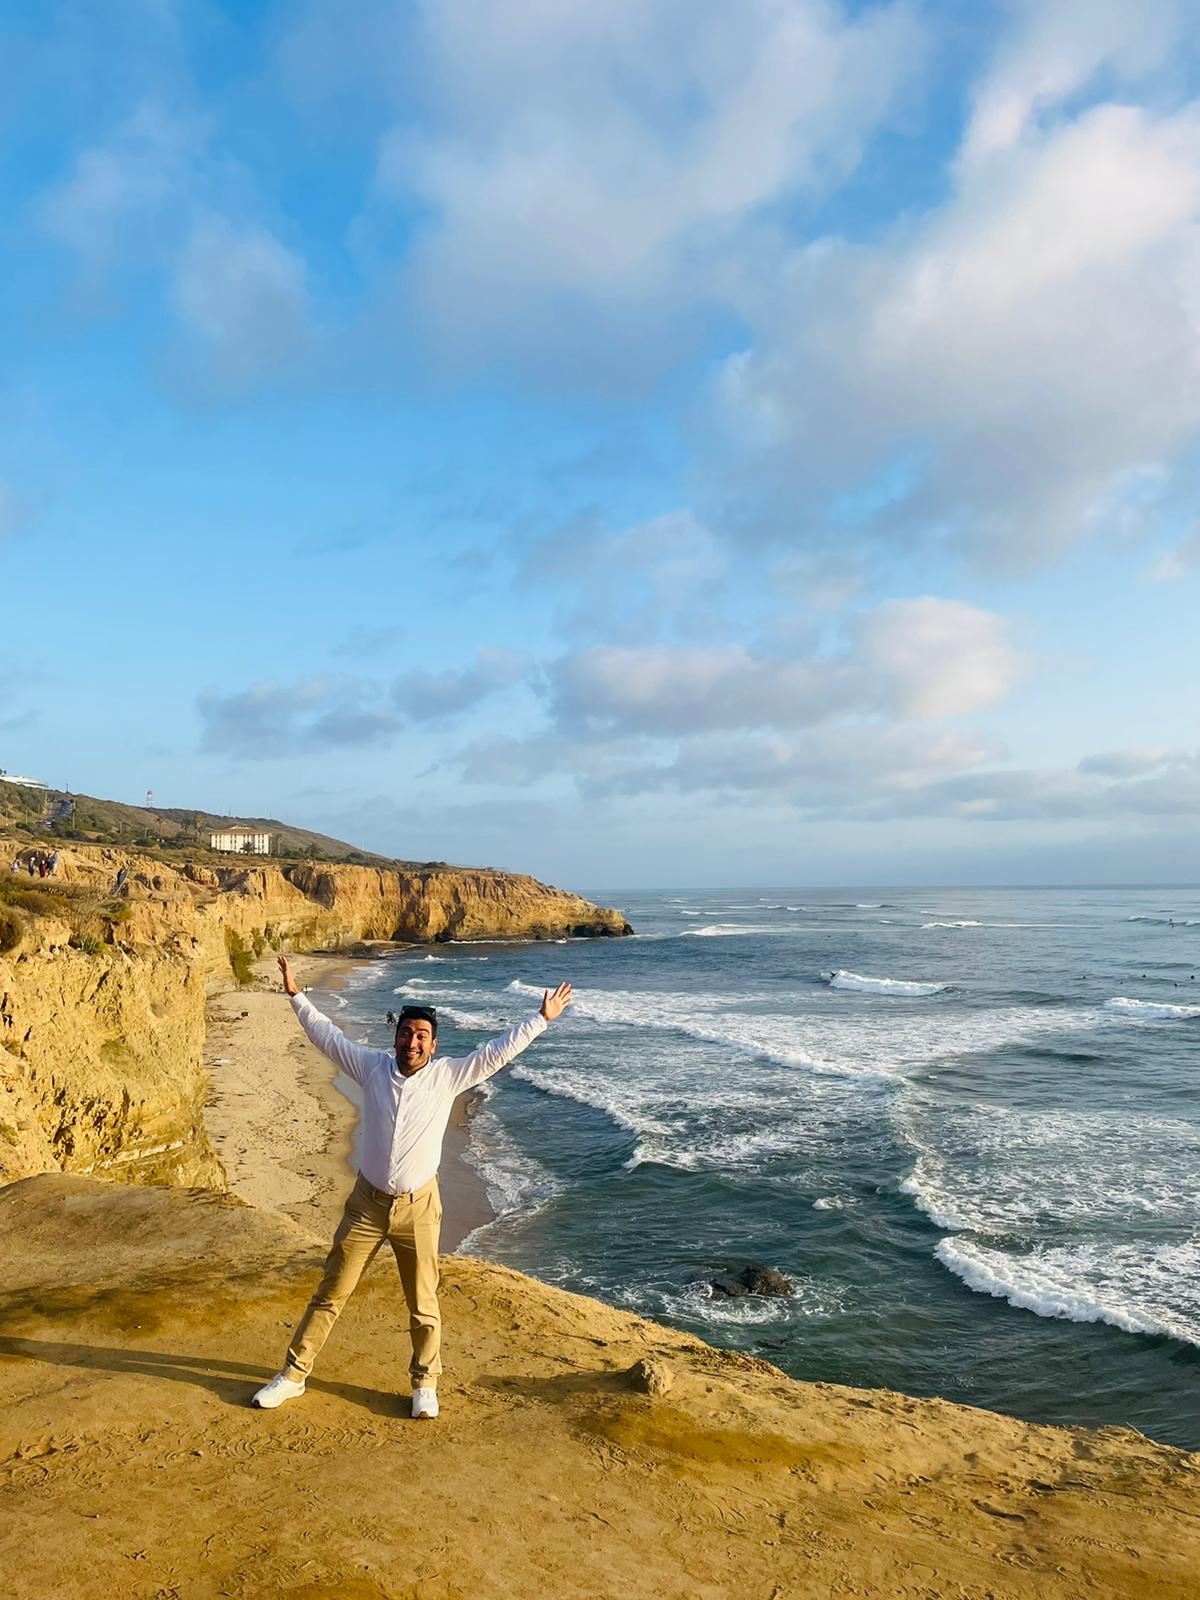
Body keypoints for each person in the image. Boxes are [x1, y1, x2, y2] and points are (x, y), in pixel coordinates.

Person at [252, 955, 573, 1421]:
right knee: (331, 1293)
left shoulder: (448, 1076)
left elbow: (496, 1052)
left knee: (423, 1304)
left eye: (421, 1035)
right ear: (396, 1038)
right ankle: (293, 1375)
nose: (412, 1041)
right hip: (366, 1204)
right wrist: (296, 994)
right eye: (406, 1033)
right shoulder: (371, 1068)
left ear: (433, 1044)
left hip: (420, 1207)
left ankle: (425, 1384)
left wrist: (540, 1020)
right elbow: (327, 1036)